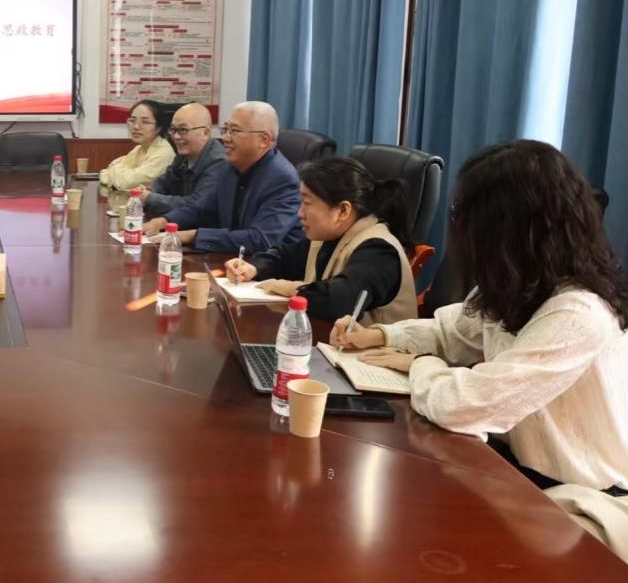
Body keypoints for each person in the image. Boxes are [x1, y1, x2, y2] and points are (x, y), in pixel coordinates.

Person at [331, 140, 628, 494]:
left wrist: (419, 364)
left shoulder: (578, 314)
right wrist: (381, 335)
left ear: (508, 229)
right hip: (514, 462)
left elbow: (463, 406)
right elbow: (452, 333)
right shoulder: (519, 283)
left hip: (575, 492)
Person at [225, 156, 417, 322]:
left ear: (342, 210)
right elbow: (285, 257)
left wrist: (286, 288)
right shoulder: (328, 235)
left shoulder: (378, 250)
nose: (300, 213)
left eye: (307, 203)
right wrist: (254, 268)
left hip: (374, 354)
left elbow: (339, 301)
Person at [143, 101, 302, 254]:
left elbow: (259, 239)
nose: (225, 138)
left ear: (264, 140)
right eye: (226, 129)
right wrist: (162, 222)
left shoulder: (282, 179)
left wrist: (193, 236)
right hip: (232, 259)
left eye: (235, 131)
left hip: (269, 266)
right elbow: (201, 209)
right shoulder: (230, 168)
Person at [135, 102, 226, 216]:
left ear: (205, 133)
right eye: (173, 130)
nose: (176, 137)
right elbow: (164, 182)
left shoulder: (218, 162)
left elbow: (196, 205)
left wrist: (149, 198)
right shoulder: (183, 156)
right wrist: (148, 191)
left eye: (183, 130)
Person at [98, 100, 175, 191]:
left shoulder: (164, 154)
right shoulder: (139, 149)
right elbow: (104, 174)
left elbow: (126, 183)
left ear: (158, 128)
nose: (136, 127)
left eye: (145, 122)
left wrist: (116, 171)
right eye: (132, 120)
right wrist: (121, 175)